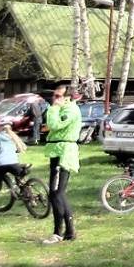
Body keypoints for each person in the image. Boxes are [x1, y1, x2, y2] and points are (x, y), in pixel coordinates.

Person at [43, 85, 80, 244]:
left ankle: (58, 232)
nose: (54, 99)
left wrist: (53, 108)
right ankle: (69, 231)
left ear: (67, 97)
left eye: (58, 96)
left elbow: (54, 125)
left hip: (64, 153)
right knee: (57, 193)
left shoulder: (70, 110)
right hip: (57, 151)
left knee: (56, 193)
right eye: (54, 96)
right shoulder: (63, 108)